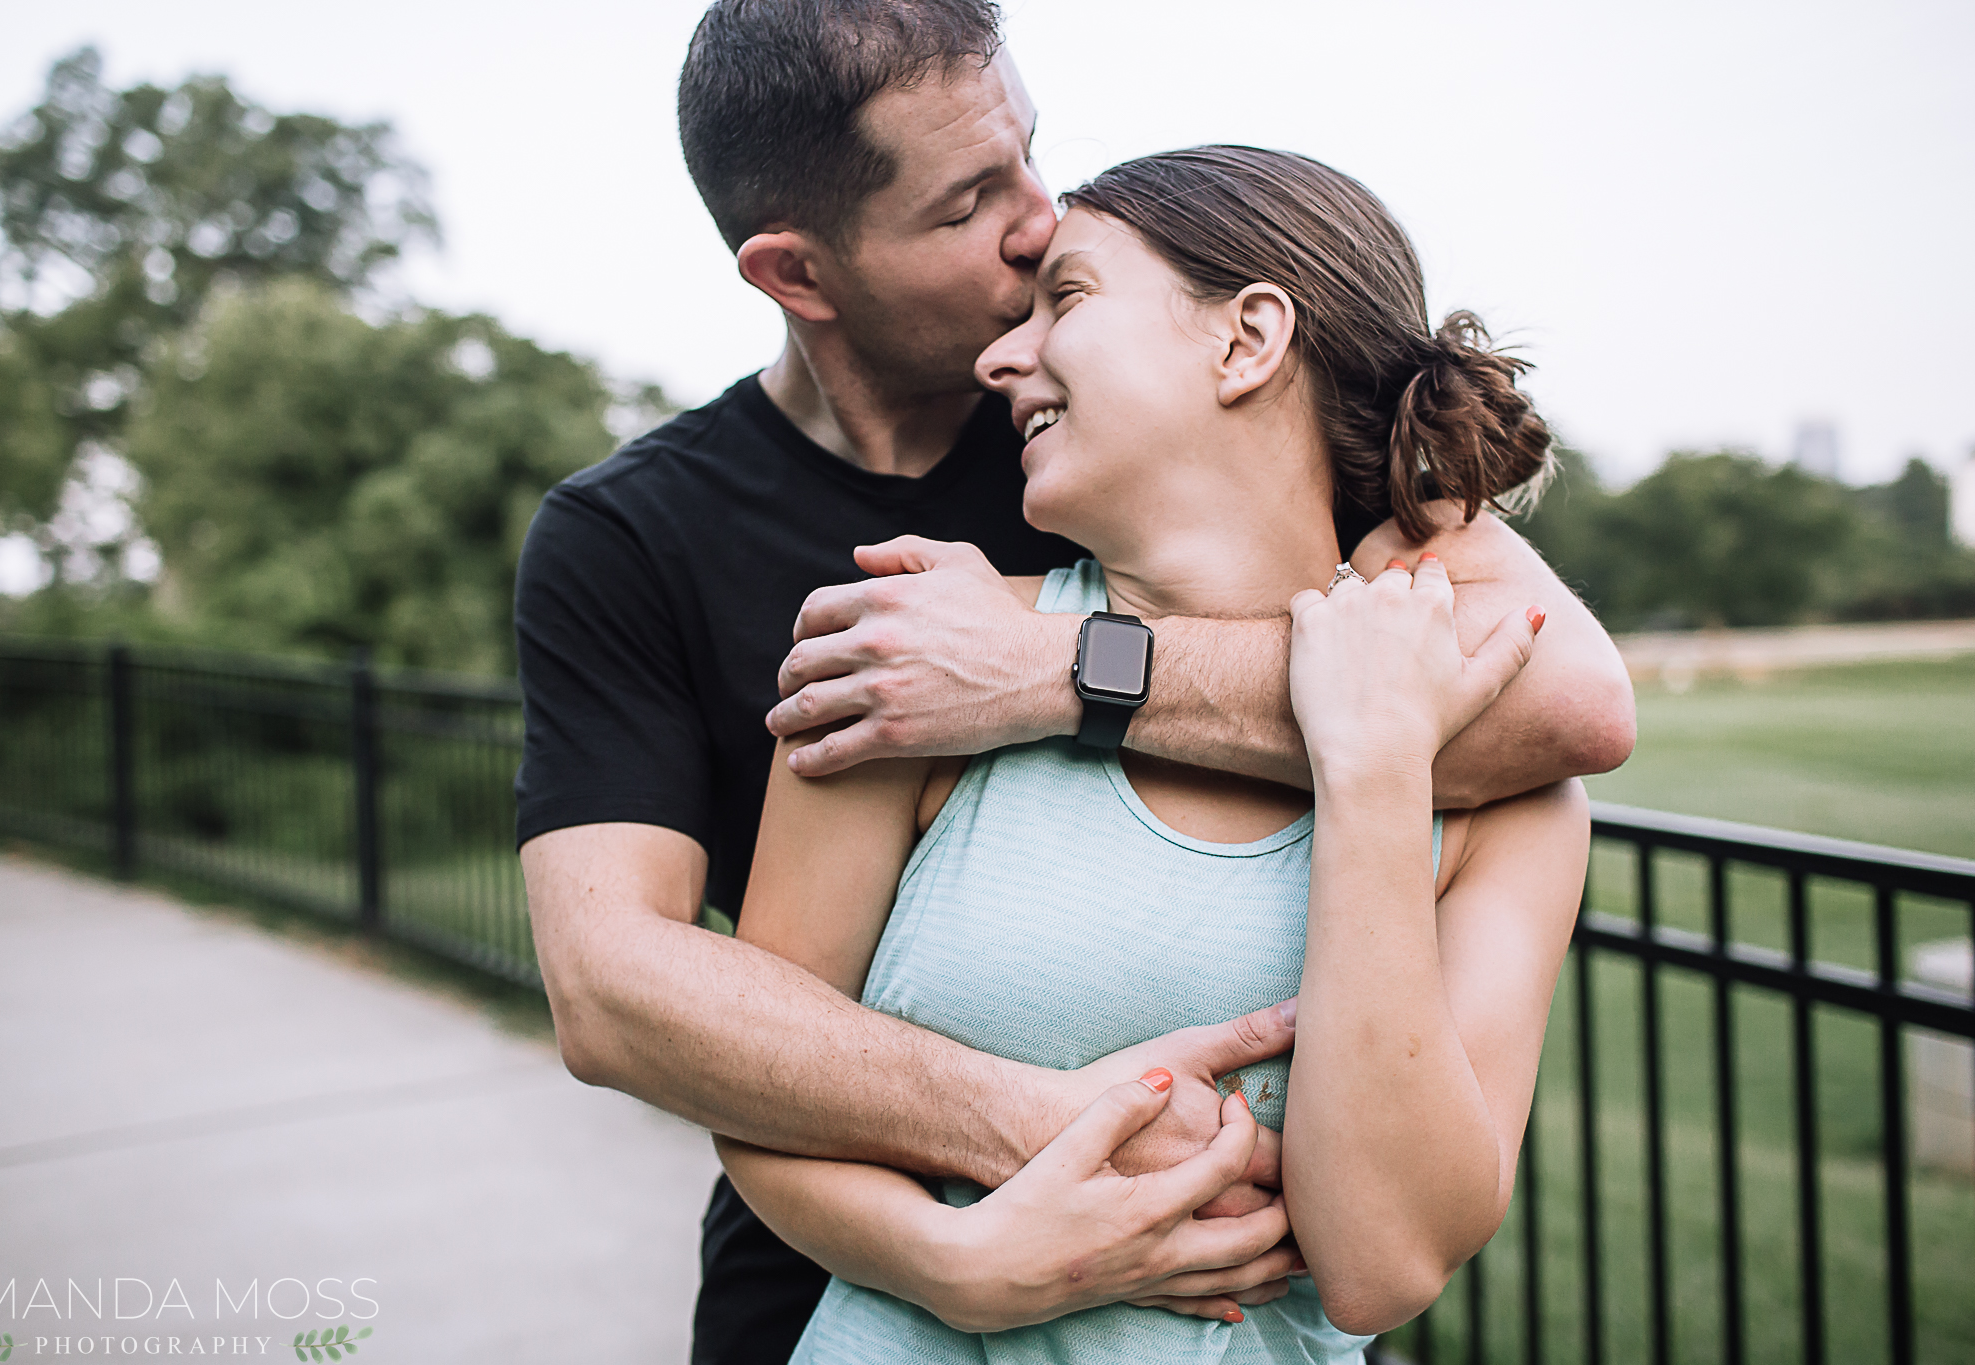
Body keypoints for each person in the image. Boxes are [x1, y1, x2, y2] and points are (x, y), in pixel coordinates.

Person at [514, 4, 1634, 1361]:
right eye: (970, 204)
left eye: (1028, 159)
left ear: (1249, 343)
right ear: (800, 273)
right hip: (828, 1300)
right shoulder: (656, 544)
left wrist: (1054, 669)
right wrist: (979, 1228)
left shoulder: (1168, 468)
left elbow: (1566, 703)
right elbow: (615, 985)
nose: (1036, 223)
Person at [718, 143, 1592, 1364]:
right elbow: (757, 1090)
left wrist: (1375, 772)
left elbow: (1381, 1265)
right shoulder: (908, 660)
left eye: (1063, 299)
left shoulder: (1507, 805)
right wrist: (955, 1266)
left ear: (1245, 340)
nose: (997, 358)